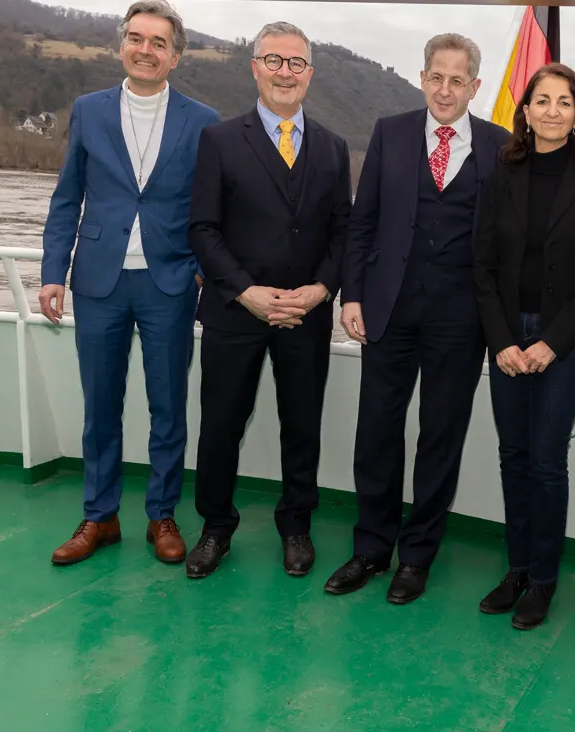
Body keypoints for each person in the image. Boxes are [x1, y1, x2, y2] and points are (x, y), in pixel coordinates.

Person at [329, 33, 511, 604]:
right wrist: (352, 295)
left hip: (461, 318)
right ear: (423, 77)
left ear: (474, 86)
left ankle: (416, 557)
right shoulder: (392, 132)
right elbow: (363, 220)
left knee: (441, 435)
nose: (445, 89)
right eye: (436, 77)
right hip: (389, 308)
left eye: (457, 80)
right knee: (376, 430)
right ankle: (370, 549)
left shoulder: (500, 145)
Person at [41, 0, 220, 567]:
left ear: (175, 56)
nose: (146, 50)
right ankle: (99, 516)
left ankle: (161, 514)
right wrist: (52, 273)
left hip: (169, 282)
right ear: (121, 46)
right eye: (136, 39)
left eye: (159, 42)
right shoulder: (89, 110)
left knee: (168, 406)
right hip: (99, 280)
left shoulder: (203, 120)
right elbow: (67, 197)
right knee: (100, 405)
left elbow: (213, 207)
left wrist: (200, 268)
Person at [183, 21, 351, 579]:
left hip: (305, 314)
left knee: (301, 426)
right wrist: (245, 291)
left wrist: (322, 289)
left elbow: (343, 233)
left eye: (296, 63)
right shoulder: (220, 141)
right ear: (255, 67)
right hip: (236, 311)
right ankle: (215, 527)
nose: (285, 72)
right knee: (221, 425)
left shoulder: (332, 148)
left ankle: (296, 526)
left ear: (310, 73)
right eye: (274, 60)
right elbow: (202, 228)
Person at [471, 63, 575, 630]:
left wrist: (552, 343)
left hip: (567, 342)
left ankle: (542, 580)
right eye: (542, 100)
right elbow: (482, 265)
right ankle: (515, 569)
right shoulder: (503, 175)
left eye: (564, 101)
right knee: (513, 455)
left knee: (546, 460)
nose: (552, 110)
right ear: (526, 112)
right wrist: (503, 340)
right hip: (508, 338)